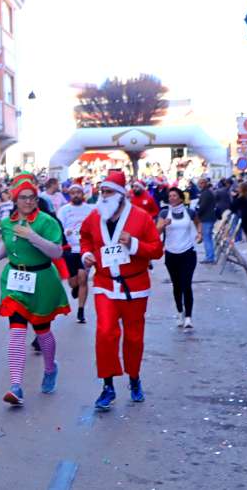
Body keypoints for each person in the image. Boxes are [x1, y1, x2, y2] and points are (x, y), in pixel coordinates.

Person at [80, 169, 164, 410]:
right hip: (105, 284)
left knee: (134, 337)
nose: (103, 196)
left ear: (120, 194)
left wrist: (135, 244)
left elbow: (157, 250)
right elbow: (85, 237)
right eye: (101, 192)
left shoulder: (141, 217)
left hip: (134, 286)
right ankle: (108, 386)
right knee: (105, 333)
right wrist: (86, 254)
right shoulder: (95, 217)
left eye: (108, 192)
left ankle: (134, 378)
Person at [0, 173, 70, 405]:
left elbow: (57, 252)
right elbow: (7, 248)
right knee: (16, 331)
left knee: (43, 331)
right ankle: (16, 386)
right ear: (15, 199)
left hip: (42, 280)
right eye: (23, 197)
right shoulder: (7, 223)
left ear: (37, 199)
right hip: (15, 279)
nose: (27, 201)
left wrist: (33, 236)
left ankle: (50, 368)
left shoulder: (47, 222)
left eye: (32, 197)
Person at [159, 187, 199, 329]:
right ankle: (179, 312)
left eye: (175, 196)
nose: (172, 198)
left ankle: (188, 317)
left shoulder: (190, 212)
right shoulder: (164, 213)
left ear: (181, 198)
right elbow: (156, 230)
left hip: (188, 252)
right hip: (171, 253)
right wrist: (163, 224)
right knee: (176, 285)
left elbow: (197, 222)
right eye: (170, 196)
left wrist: (199, 234)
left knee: (186, 284)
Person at [57, 183, 95, 324]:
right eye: (73, 193)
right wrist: (63, 235)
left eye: (78, 192)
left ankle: (81, 311)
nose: (76, 195)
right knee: (73, 282)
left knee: (83, 277)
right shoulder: (64, 210)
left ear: (82, 194)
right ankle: (76, 287)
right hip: (69, 249)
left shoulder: (90, 209)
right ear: (69, 195)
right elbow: (58, 228)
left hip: (85, 249)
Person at [195, 177, 218, 263]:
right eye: (199, 183)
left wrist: (197, 215)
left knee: (207, 238)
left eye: (200, 183)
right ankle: (210, 256)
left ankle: (210, 257)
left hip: (207, 218)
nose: (199, 185)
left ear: (204, 183)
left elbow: (202, 207)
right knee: (208, 238)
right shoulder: (207, 192)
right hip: (209, 218)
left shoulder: (205, 193)